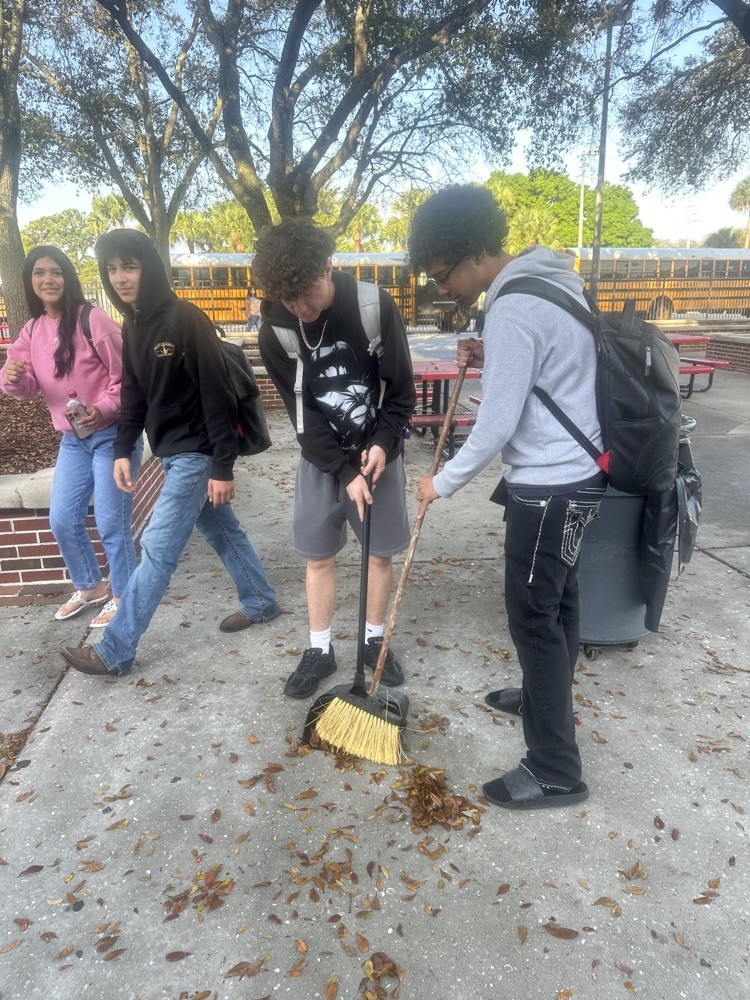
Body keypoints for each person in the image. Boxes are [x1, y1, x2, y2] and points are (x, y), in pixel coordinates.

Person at [410, 186, 607, 811]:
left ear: (471, 253)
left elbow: (496, 423)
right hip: (581, 477)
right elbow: (555, 369)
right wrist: (492, 354)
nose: (444, 289)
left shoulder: (513, 307)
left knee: (531, 615)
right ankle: (541, 692)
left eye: (443, 275)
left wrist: (440, 481)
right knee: (558, 601)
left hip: (547, 489)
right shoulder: (549, 284)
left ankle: (554, 768)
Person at [60, 229, 279, 678]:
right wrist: (124, 448)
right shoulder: (133, 326)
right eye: (113, 268)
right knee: (223, 531)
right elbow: (136, 396)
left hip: (198, 452)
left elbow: (217, 396)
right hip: (172, 453)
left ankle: (114, 649)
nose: (121, 277)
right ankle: (261, 602)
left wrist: (222, 465)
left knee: (157, 547)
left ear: (150, 268)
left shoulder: (186, 318)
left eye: (130, 266)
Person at [252, 219, 416, 699]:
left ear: (328, 267)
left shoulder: (372, 306)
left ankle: (371, 642)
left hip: (380, 455)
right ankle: (320, 649)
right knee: (317, 556)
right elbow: (302, 417)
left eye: (306, 293)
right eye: (288, 299)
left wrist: (383, 444)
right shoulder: (276, 329)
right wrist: (344, 470)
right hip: (321, 459)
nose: (300, 309)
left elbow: (401, 393)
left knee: (378, 553)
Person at [0, 245, 142, 628]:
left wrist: (104, 407)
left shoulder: (92, 320)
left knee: (112, 522)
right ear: (29, 281)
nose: (48, 280)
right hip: (73, 441)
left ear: (68, 277)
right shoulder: (31, 329)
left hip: (111, 437)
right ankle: (91, 587)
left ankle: (123, 596)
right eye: (39, 273)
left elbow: (127, 377)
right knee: (63, 518)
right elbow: (27, 386)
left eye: (56, 272)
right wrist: (12, 378)